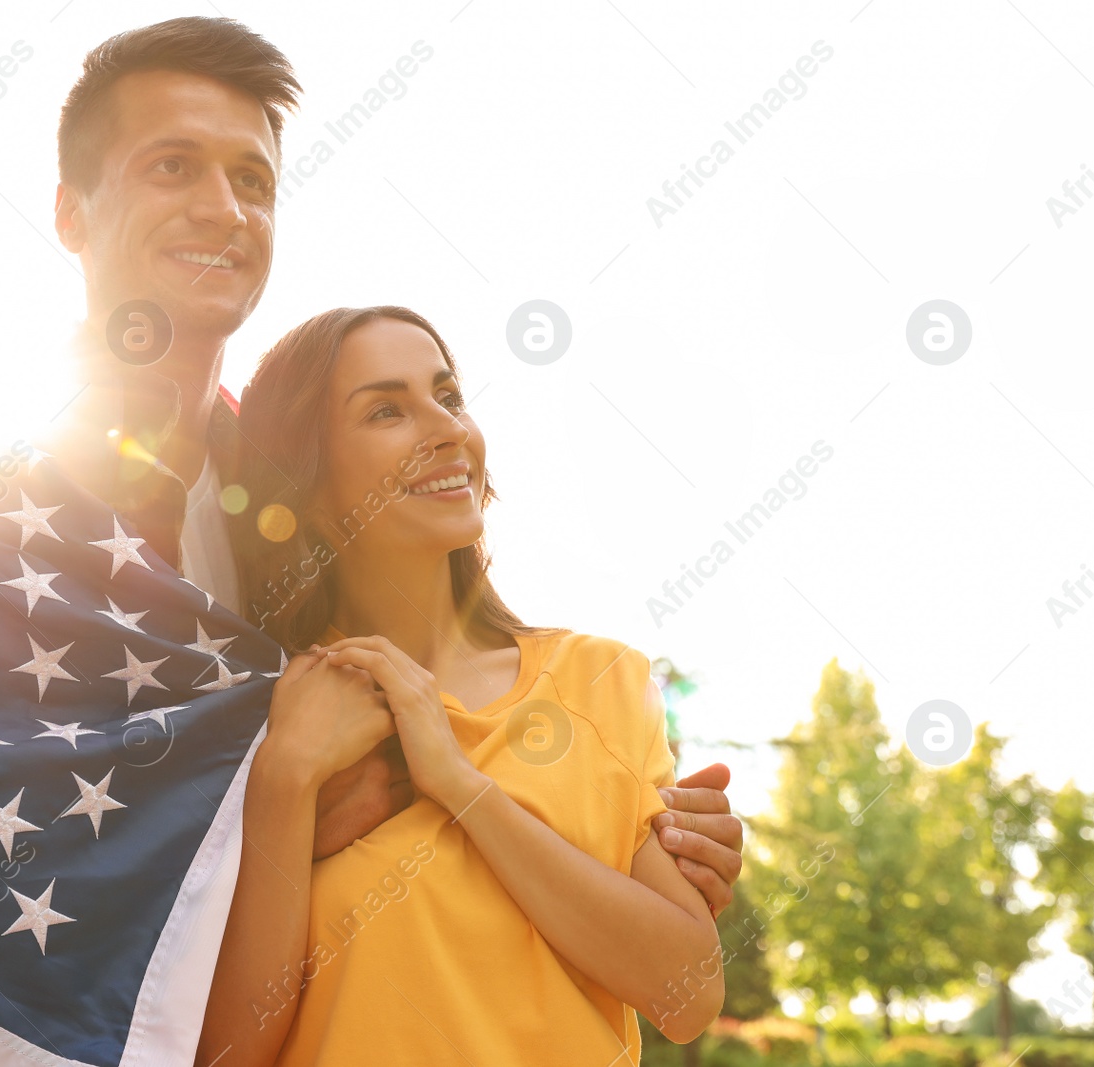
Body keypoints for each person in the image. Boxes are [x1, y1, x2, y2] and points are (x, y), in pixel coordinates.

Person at [0, 17, 741, 1066]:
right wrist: (278, 799)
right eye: (171, 166)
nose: (221, 209)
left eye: (252, 177)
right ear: (70, 210)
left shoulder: (271, 511)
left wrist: (622, 830)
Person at [197, 307, 724, 1066]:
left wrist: (456, 780)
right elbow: (224, 1055)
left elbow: (688, 994)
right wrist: (284, 781)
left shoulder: (603, 679)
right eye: (386, 410)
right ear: (305, 485)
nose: (447, 429)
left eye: (448, 396)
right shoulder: (264, 717)